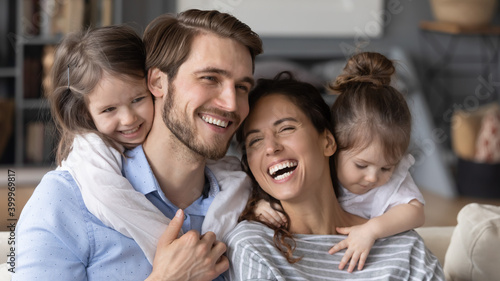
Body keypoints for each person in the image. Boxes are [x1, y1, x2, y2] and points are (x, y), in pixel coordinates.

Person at [13, 9, 262, 281]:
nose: (231, 104)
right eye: (210, 78)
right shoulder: (66, 200)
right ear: (157, 82)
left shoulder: (247, 201)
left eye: (242, 87)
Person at [223, 71, 444, 280]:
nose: (270, 147)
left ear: (327, 142)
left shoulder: (403, 247)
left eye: (286, 128)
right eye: (255, 141)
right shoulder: (253, 245)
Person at [326, 52, 425, 272]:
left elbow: (416, 212)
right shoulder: (321, 168)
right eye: (361, 165)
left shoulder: (391, 181)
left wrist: (371, 230)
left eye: (386, 167)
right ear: (332, 146)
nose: (372, 177)